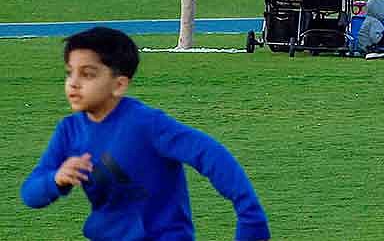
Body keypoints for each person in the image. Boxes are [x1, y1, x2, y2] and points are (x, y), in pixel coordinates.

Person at [21, 27, 270, 240]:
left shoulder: (147, 124)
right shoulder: (69, 130)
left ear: (119, 85)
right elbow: (30, 193)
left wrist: (250, 214)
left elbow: (210, 155)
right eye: (69, 72)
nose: (73, 83)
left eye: (87, 74)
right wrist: (56, 179)